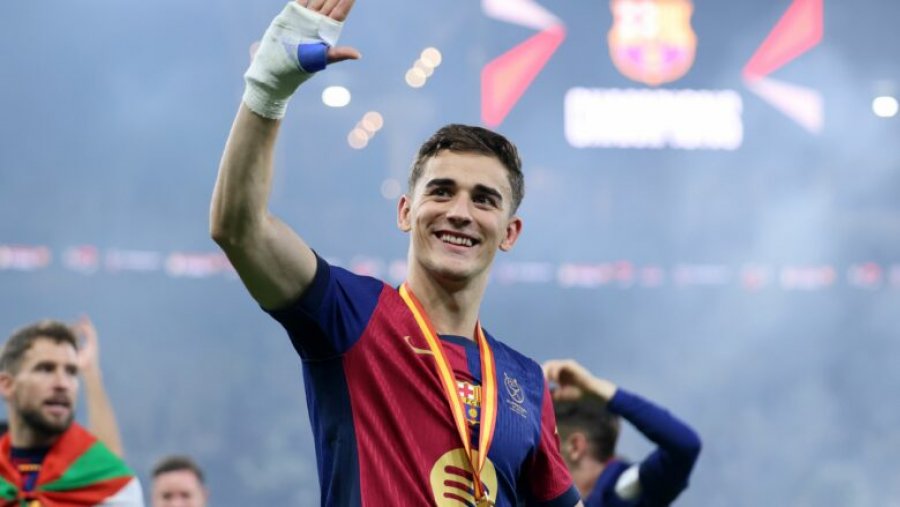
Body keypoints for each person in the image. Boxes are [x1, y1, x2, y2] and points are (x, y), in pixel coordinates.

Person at [209, 1, 582, 505]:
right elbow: (240, 230)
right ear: (406, 211)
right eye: (441, 191)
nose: (460, 212)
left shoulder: (525, 382)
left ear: (510, 232)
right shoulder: (351, 315)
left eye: (484, 199)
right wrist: (268, 88)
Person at [0, 319, 143, 506]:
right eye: (45, 369)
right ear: (7, 385)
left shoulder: (113, 490)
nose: (63, 384)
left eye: (71, 372)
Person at [543, 360, 701, 506]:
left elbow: (685, 445)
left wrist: (595, 388)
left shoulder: (627, 490)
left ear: (575, 447)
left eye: (545, 443)